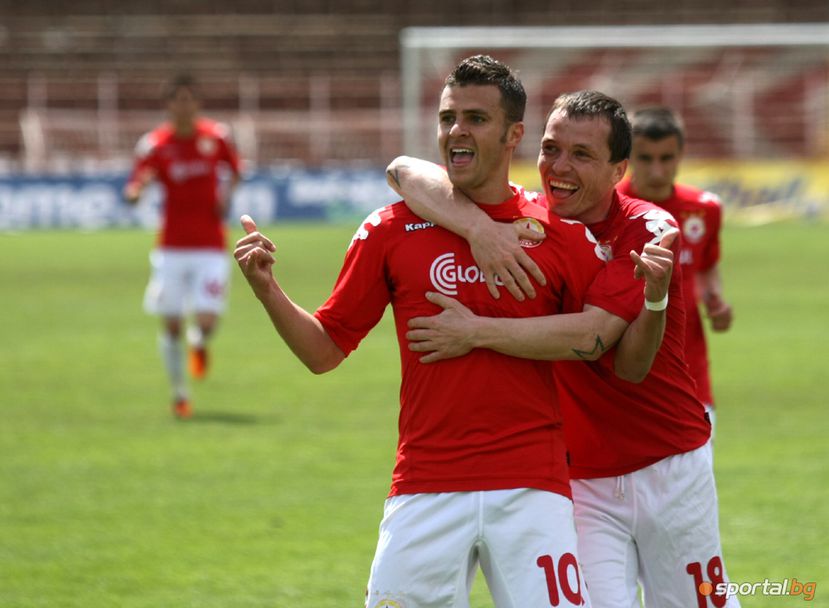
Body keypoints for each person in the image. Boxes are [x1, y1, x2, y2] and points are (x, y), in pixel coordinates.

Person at [235, 56, 671, 608]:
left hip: (532, 487)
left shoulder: (559, 234)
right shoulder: (390, 229)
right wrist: (268, 291)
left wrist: (654, 299)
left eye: (476, 119)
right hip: (425, 484)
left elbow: (606, 344)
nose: (457, 130)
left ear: (513, 135)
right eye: (448, 118)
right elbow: (323, 351)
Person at [387, 90, 739, 608]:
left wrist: (475, 331)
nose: (559, 167)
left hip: (670, 463)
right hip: (580, 478)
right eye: (551, 148)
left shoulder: (648, 229)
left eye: (581, 155)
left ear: (619, 170)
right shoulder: (528, 223)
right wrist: (480, 229)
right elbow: (401, 170)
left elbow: (596, 340)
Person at [124, 74, 241, 419]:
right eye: (178, 100)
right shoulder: (155, 144)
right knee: (172, 325)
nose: (184, 106)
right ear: (169, 105)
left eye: (190, 99)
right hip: (171, 248)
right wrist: (136, 192)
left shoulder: (216, 137)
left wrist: (225, 197)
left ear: (198, 104)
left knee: (206, 322)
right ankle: (179, 393)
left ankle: (199, 341)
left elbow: (236, 170)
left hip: (211, 247)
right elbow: (137, 182)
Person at [619, 106, 733, 432]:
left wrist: (715, 300)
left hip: (689, 371)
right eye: (645, 158)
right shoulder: (607, 206)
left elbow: (706, 267)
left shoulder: (704, 209)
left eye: (666, 158)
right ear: (627, 157)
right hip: (624, 373)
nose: (657, 170)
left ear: (681, 155)